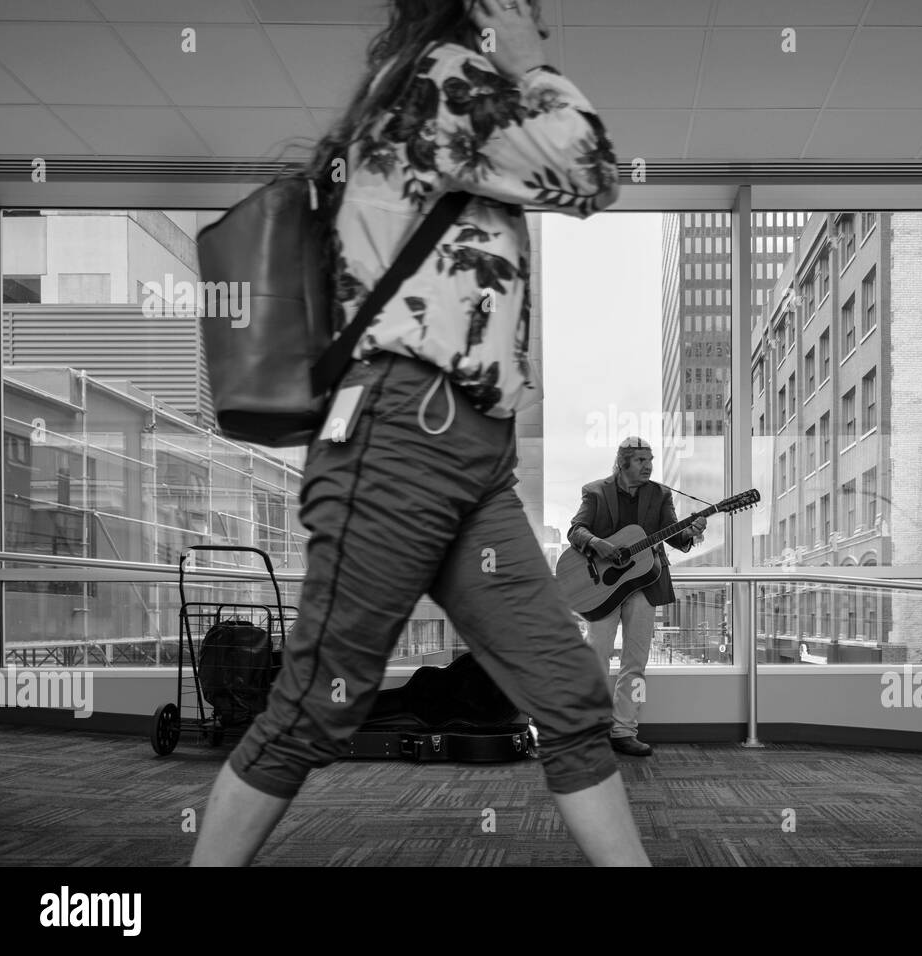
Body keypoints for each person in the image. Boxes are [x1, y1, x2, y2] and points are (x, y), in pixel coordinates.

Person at [191, 0, 650, 867]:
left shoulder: (436, 104)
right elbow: (590, 167)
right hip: (401, 439)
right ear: (479, 14)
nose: (538, 29)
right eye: (522, 14)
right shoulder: (444, 80)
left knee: (568, 694)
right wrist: (526, 65)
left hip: (470, 459)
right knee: (313, 706)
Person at [567, 437, 707, 756]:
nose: (648, 466)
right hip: (602, 588)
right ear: (623, 462)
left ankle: (623, 730)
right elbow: (576, 530)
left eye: (650, 459)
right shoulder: (595, 491)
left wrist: (692, 532)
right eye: (641, 460)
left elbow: (674, 534)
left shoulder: (661, 494)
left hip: (646, 583)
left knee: (636, 662)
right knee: (596, 659)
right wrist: (600, 545)